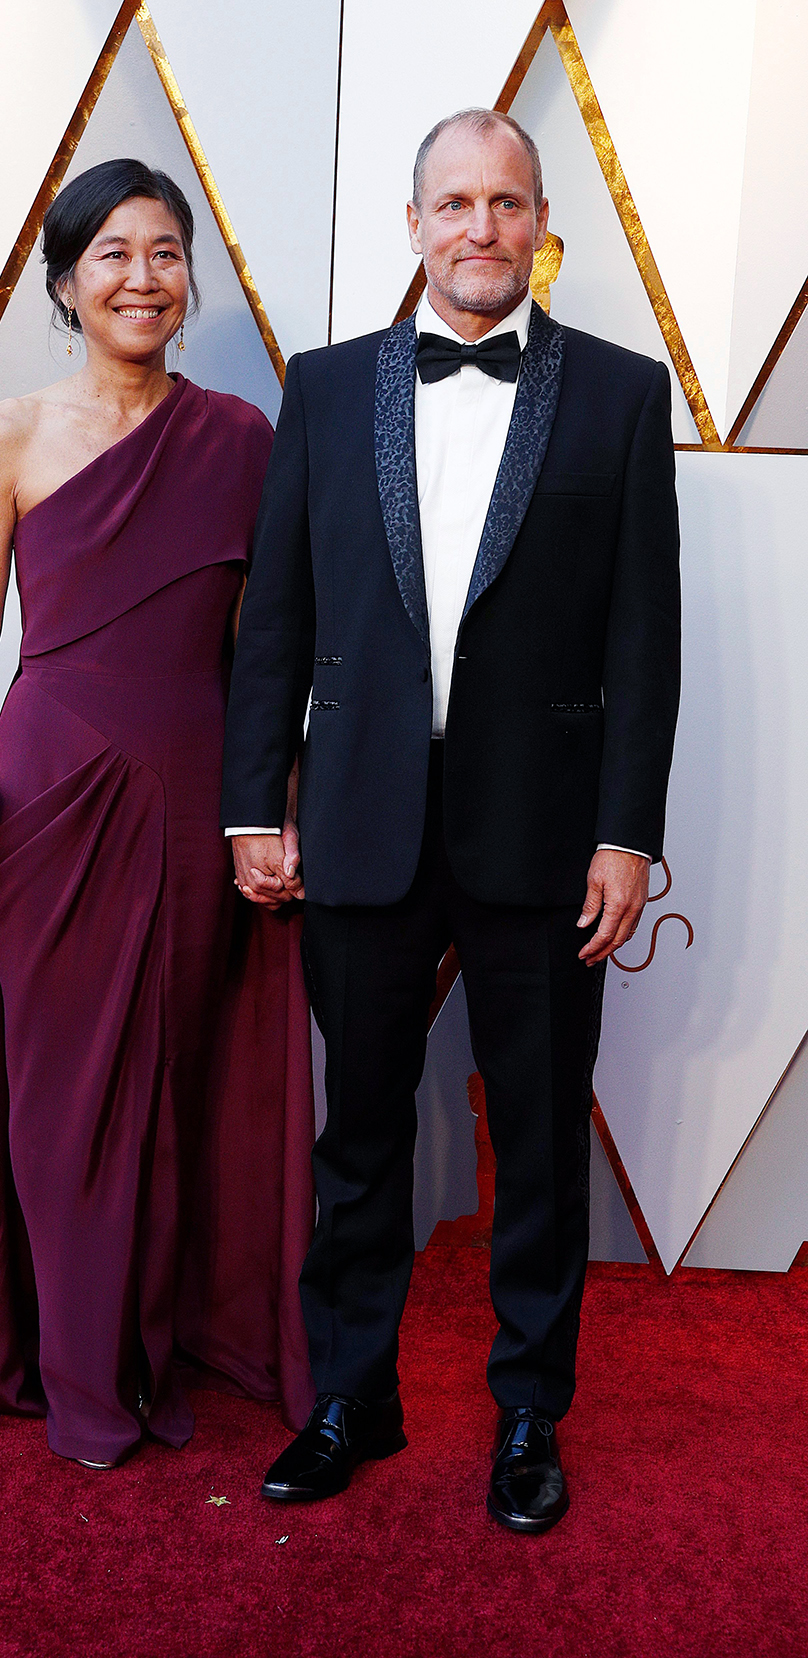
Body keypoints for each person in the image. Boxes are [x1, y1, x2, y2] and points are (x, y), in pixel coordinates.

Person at [222, 109, 680, 1531]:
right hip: (356, 820)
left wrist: (628, 830)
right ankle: (352, 1395)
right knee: (354, 1137)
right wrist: (252, 805)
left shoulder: (618, 392)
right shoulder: (327, 383)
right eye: (456, 203)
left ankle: (531, 1411)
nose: (482, 228)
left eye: (508, 203)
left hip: (544, 834)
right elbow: (275, 622)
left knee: (537, 1141)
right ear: (412, 224)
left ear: (545, 223)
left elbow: (643, 636)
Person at [0, 157, 315, 1469]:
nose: (143, 276)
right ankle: (85, 1374)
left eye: (165, 252)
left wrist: (275, 804)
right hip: (50, 791)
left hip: (199, 790)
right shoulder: (12, 432)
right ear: (66, 283)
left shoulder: (244, 436)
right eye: (113, 254)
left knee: (175, 1077)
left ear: (188, 279)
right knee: (65, 1088)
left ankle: (157, 1340)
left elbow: (266, 652)